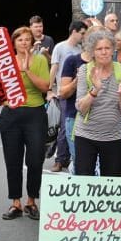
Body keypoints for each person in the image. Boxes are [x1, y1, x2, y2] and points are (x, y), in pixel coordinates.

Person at [0, 26, 50, 220]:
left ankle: (31, 201)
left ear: (32, 42)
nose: (24, 43)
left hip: (35, 113)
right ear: (13, 42)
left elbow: (45, 87)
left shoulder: (39, 60)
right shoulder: (5, 63)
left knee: (35, 159)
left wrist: (26, 70)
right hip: (11, 114)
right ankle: (15, 203)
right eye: (20, 39)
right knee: (12, 160)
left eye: (27, 39)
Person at [73, 30, 121, 176]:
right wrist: (95, 90)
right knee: (84, 180)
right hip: (86, 136)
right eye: (99, 49)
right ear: (92, 51)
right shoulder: (85, 70)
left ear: (113, 49)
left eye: (107, 48)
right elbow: (81, 109)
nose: (104, 52)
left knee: (111, 183)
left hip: (114, 136)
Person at [48, 20, 87, 172]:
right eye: (82, 33)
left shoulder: (80, 50)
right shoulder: (60, 47)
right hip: (64, 92)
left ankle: (70, 157)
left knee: (75, 127)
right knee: (64, 127)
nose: (84, 37)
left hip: (80, 92)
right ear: (74, 31)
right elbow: (54, 68)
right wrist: (50, 89)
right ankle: (59, 160)